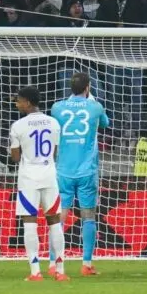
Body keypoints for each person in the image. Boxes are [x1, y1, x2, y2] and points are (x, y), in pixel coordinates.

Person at [50, 72, 110, 275]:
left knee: (59, 217)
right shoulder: (95, 106)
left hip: (63, 170)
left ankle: (52, 263)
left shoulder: (57, 107)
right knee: (88, 216)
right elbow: (105, 124)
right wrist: (90, 98)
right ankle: (86, 264)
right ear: (88, 88)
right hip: (87, 170)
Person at [10, 87, 67, 281]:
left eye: (18, 100)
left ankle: (35, 271)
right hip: (49, 176)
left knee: (30, 223)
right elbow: (55, 153)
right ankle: (60, 270)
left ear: (27, 102)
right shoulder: (54, 123)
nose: (17, 104)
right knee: (54, 222)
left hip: (28, 179)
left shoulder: (18, 125)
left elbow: (16, 158)